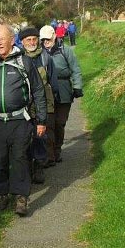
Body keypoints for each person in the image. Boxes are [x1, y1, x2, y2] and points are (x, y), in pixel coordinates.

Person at [0, 24, 47, 216]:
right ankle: (1, 194)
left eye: (2, 39)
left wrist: (41, 120)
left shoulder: (24, 62)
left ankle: (21, 197)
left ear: (12, 40)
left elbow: (39, 91)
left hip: (19, 120)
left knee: (20, 159)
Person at [18, 26, 59, 180]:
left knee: (41, 135)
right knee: (25, 137)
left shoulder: (45, 57)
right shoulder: (18, 58)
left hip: (43, 103)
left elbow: (52, 80)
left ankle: (39, 166)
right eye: (28, 39)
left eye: (34, 39)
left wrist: (53, 99)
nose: (32, 42)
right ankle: (27, 165)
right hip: (25, 104)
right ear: (22, 42)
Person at [40, 25, 83, 163]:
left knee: (60, 123)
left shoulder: (66, 50)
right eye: (43, 39)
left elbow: (75, 69)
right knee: (49, 124)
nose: (46, 42)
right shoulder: (40, 52)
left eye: (48, 39)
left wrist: (77, 87)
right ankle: (50, 155)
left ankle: (57, 149)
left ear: (54, 36)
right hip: (47, 91)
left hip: (64, 90)